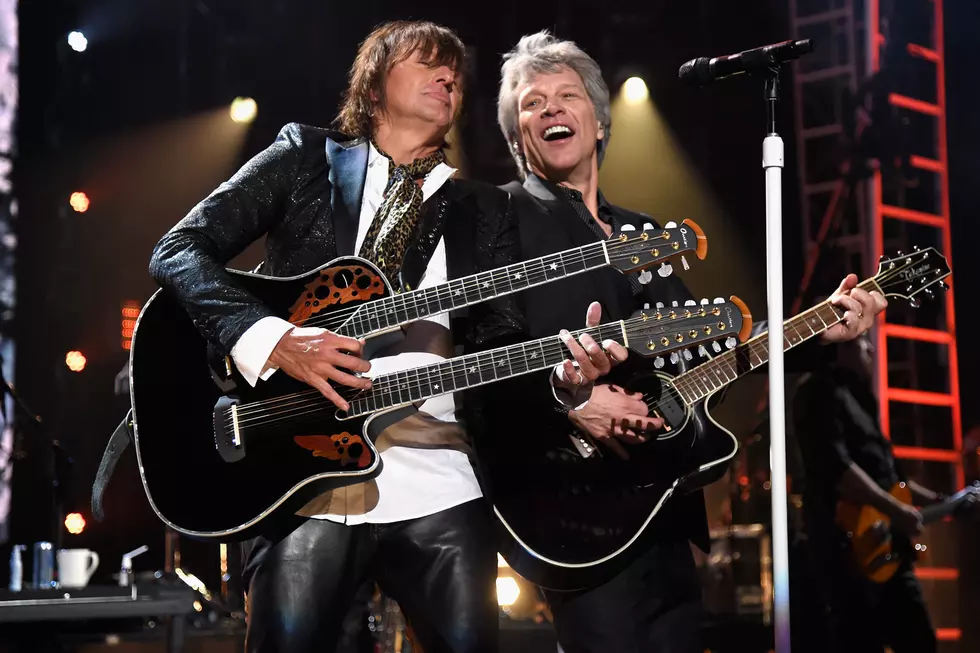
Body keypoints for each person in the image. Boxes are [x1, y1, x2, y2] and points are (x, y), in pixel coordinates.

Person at [148, 21, 613, 653]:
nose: (447, 76)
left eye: (453, 71)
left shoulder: (483, 208)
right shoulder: (306, 158)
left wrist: (562, 379)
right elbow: (178, 250)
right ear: (373, 89)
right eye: (427, 63)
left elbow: (500, 340)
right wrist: (271, 339)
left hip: (441, 478)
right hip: (306, 476)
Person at [487, 31, 888, 653]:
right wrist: (571, 403)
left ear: (599, 122)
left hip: (665, 504)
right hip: (571, 503)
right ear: (517, 136)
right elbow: (477, 356)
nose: (551, 109)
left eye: (568, 96)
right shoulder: (501, 219)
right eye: (533, 102)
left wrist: (817, 329)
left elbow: (706, 345)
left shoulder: (645, 235)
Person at [793, 332, 948, 653]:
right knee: (861, 640)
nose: (872, 349)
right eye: (863, 342)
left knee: (919, 640)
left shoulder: (861, 396)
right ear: (841, 348)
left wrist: (942, 503)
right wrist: (895, 510)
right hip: (848, 551)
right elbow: (836, 468)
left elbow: (894, 478)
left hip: (888, 549)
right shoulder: (816, 391)